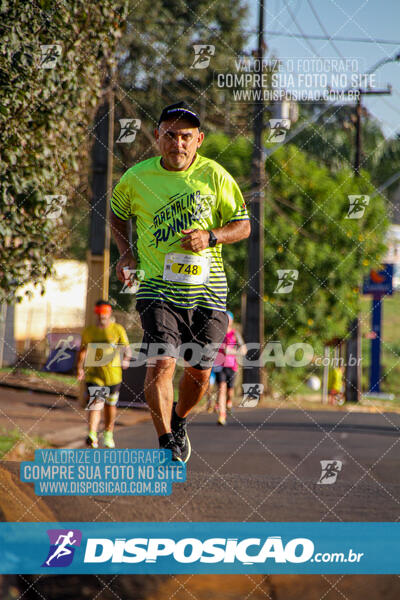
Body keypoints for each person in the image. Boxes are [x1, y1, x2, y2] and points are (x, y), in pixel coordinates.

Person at [110, 101, 250, 462]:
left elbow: (243, 225)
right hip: (157, 287)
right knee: (162, 362)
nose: (178, 143)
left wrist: (212, 236)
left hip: (208, 292)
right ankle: (165, 441)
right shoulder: (136, 178)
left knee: (200, 374)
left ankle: (180, 419)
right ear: (158, 137)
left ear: (199, 139)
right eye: (170, 135)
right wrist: (126, 252)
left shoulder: (215, 176)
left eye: (186, 136)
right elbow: (115, 213)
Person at [76, 300, 131, 448]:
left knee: (109, 406)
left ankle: (108, 433)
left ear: (109, 313)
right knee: (96, 402)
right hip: (95, 374)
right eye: (99, 314)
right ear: (96, 314)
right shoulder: (89, 332)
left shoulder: (117, 330)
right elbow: (82, 351)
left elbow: (127, 348)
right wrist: (80, 368)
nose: (102, 317)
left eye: (104, 313)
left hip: (113, 376)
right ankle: (92, 434)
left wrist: (126, 359)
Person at [212, 311, 245, 425]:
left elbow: (243, 349)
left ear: (232, 321)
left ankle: (229, 402)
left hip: (231, 365)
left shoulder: (235, 334)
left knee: (230, 391)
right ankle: (222, 415)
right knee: (221, 389)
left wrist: (232, 352)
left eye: (229, 319)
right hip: (219, 364)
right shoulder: (217, 332)